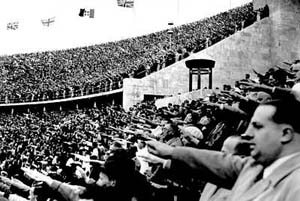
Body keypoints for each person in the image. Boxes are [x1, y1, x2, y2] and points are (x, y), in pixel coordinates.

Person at [146, 95, 300, 201]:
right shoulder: (252, 166)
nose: (246, 134)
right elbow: (216, 161)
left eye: (258, 127)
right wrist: (171, 152)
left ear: (285, 134)